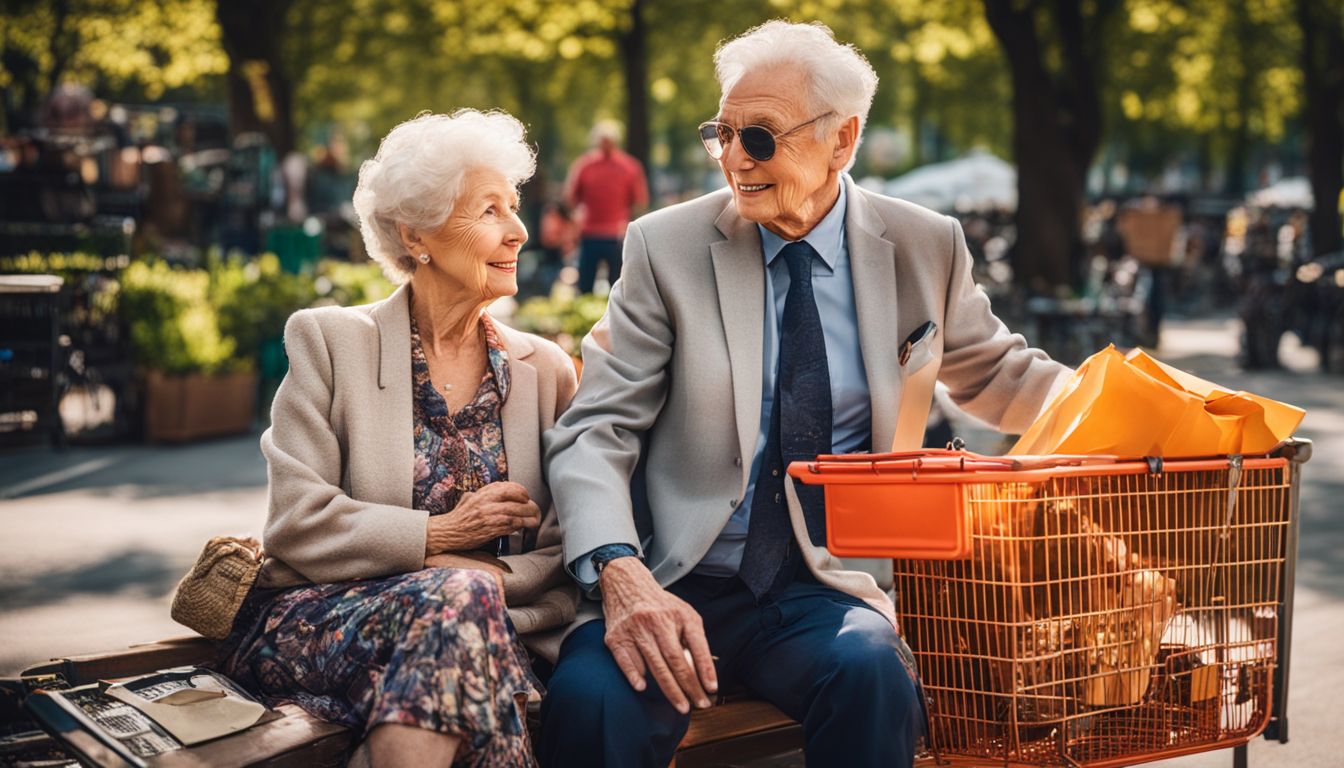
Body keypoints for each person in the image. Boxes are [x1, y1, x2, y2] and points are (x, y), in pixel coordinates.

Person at [540, 20, 1071, 768]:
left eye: (758, 138)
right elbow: (596, 428)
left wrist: (1164, 410)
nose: (732, 160)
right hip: (674, 580)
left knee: (874, 673)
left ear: (843, 140)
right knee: (591, 704)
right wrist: (620, 572)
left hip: (822, 586)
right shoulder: (665, 248)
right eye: (720, 134)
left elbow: (999, 374)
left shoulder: (926, 242)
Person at [217, 110, 579, 768]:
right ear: (417, 235)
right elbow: (296, 523)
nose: (520, 231)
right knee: (461, 617)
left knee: (461, 617)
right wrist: (438, 540)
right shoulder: (329, 342)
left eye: (515, 206)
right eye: (490, 210)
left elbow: (561, 543)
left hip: (475, 630)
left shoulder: (545, 371)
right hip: (316, 622)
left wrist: (480, 581)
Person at [563, 120, 648, 294]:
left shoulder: (585, 165)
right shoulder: (629, 166)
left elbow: (570, 199)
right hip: (610, 234)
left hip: (601, 234)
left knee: (589, 287)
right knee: (617, 289)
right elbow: (640, 202)